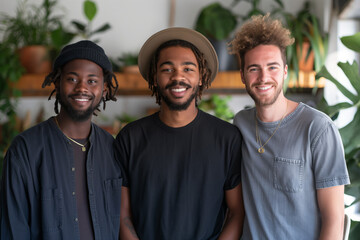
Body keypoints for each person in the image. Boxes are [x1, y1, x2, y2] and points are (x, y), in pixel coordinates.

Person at [114, 27, 244, 240]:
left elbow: (237, 212)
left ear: (201, 77)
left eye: (188, 69)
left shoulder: (227, 138)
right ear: (154, 78)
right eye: (167, 69)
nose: (178, 77)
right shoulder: (130, 138)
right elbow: (122, 216)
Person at [229, 14, 350, 239]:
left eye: (272, 67)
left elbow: (334, 219)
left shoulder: (318, 128)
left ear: (285, 71)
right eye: (253, 68)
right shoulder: (240, 125)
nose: (263, 77)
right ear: (243, 76)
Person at [0, 40, 122, 239]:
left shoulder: (113, 149)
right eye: (72, 79)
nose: (82, 88)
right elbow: (13, 230)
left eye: (92, 81)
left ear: (105, 89)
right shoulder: (25, 150)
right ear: (57, 82)